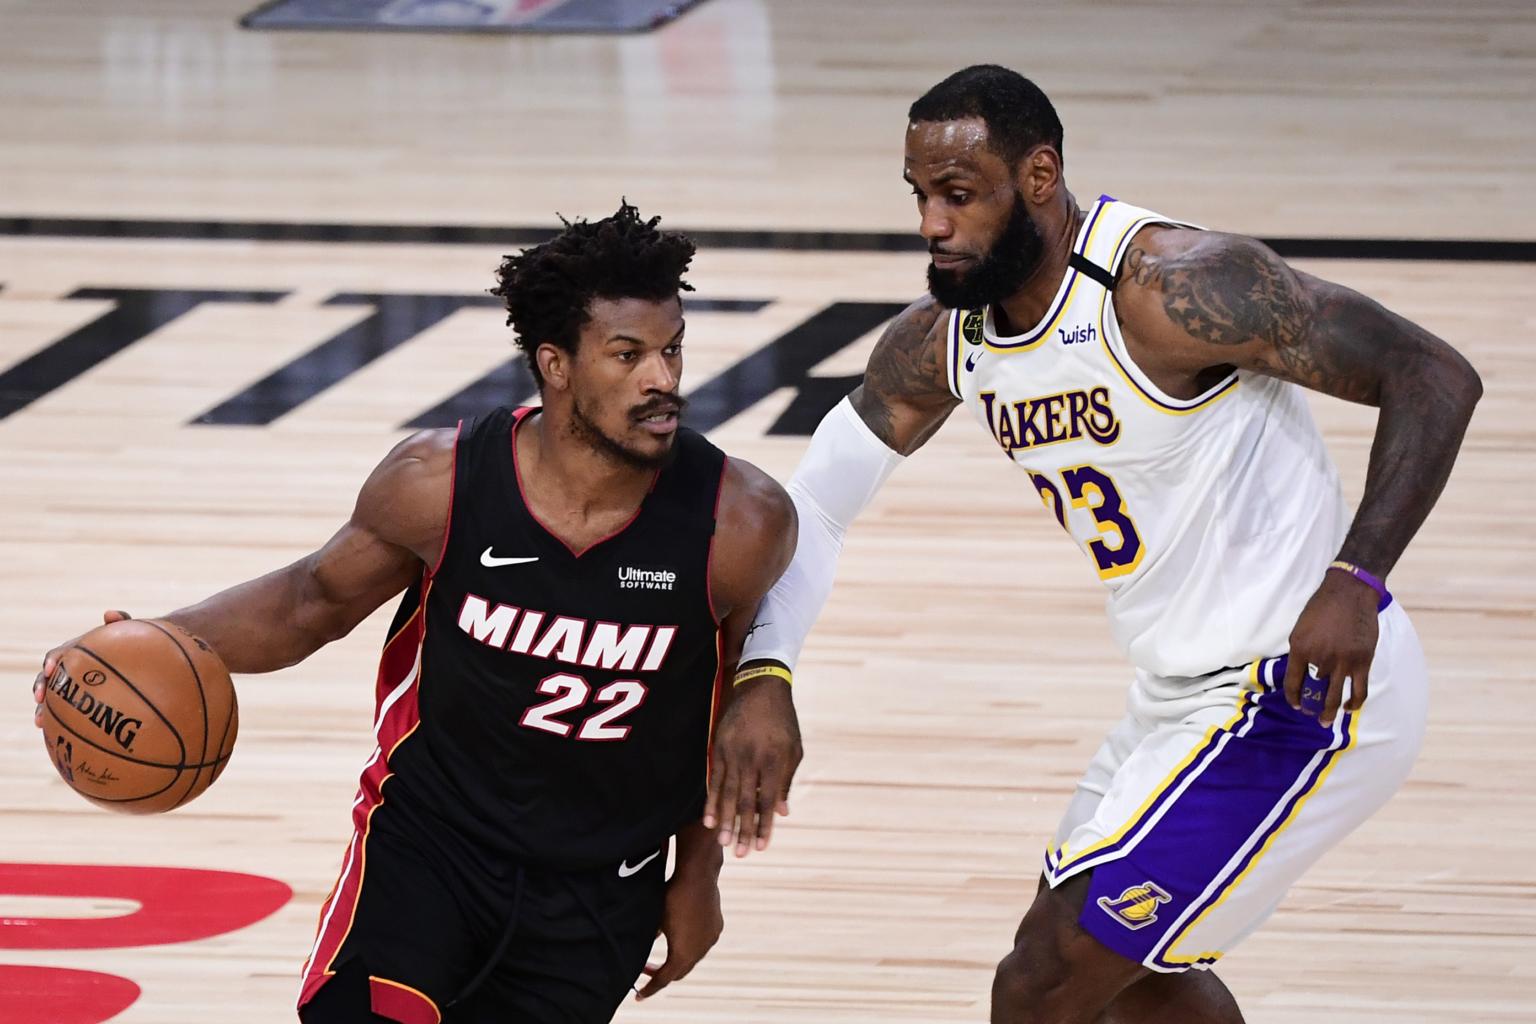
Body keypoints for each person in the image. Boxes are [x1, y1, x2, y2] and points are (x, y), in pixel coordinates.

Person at [706, 65, 1481, 1023]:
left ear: (1039, 177)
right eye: (919, 196)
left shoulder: (1174, 289)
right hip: (1174, 699)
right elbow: (815, 508)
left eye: (959, 195)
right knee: (1132, 988)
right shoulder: (943, 341)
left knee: (1043, 979)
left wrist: (1356, 578)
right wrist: (765, 674)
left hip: (1296, 689)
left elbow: (1432, 374)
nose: (932, 225)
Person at [33, 202, 796, 1023]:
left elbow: (720, 717)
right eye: (628, 355)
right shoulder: (440, 484)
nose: (664, 380)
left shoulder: (738, 522)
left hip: (600, 889)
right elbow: (309, 603)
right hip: (429, 850)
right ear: (557, 365)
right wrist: (152, 638)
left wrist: (698, 874)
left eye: (672, 348)